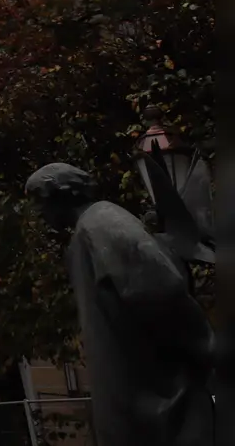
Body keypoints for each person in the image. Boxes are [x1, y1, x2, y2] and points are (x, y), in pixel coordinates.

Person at [25, 163, 214, 446]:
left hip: (155, 406)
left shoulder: (102, 223)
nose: (37, 212)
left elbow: (160, 289)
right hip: (133, 402)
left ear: (61, 193)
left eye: (39, 200)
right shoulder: (87, 233)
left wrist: (206, 347)